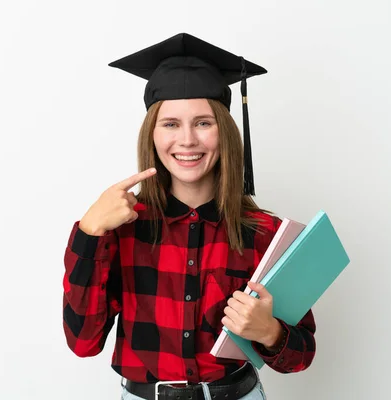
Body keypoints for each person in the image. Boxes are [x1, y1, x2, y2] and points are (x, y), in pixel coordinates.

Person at [62, 33, 316, 400]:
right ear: (151, 134)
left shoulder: (265, 233)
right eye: (170, 124)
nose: (187, 140)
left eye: (203, 122)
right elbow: (83, 343)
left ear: (225, 132)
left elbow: (301, 355)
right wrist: (89, 232)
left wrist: (270, 333)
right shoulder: (119, 229)